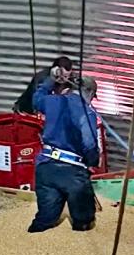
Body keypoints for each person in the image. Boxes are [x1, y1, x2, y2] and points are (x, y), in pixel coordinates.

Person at [28, 74, 100, 233]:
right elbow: (89, 143)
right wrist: (92, 162)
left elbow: (36, 99)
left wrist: (51, 80)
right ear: (89, 92)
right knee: (84, 220)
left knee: (45, 219)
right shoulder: (87, 113)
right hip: (72, 172)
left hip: (45, 168)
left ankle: (31, 243)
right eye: (93, 97)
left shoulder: (52, 101)